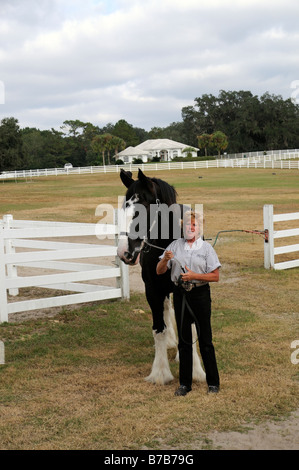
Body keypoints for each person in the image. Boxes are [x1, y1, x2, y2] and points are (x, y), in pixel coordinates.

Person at [156, 210, 221, 396]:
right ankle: (185, 384)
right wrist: (165, 260)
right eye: (187, 225)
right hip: (181, 295)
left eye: (194, 225)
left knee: (205, 340)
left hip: (200, 294)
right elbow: (159, 270)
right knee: (184, 341)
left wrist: (194, 275)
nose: (190, 228)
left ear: (200, 228)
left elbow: (215, 276)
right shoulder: (175, 246)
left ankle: (213, 383)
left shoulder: (207, 249)